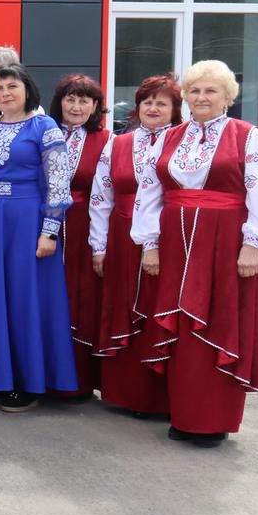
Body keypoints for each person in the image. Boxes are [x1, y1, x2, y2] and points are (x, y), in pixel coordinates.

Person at [133, 60, 258, 447]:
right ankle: (184, 414)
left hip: (226, 243)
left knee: (219, 321)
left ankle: (213, 419)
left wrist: (254, 245)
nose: (201, 97)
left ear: (227, 97)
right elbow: (150, 192)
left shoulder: (247, 136)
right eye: (195, 90)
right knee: (180, 326)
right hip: (175, 244)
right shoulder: (170, 136)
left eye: (210, 90)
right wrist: (149, 244)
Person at [0, 63, 75, 411]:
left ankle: (29, 381)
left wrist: (49, 231)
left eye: (12, 86)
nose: (5, 93)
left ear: (28, 90)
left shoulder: (44, 127)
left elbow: (57, 180)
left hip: (24, 221)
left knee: (23, 298)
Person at [89, 74, 181, 417]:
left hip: (168, 239)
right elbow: (101, 196)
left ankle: (160, 398)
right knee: (124, 307)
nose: (153, 108)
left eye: (162, 102)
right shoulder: (119, 143)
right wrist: (99, 245)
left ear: (174, 109)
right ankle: (127, 394)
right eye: (147, 102)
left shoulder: (182, 143)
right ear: (138, 107)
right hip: (122, 236)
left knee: (159, 310)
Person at [51, 73, 111, 397]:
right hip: (44, 224)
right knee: (48, 295)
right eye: (70, 98)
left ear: (95, 106)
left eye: (84, 100)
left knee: (82, 297)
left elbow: (107, 194)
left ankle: (78, 381)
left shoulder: (106, 140)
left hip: (84, 225)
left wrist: (100, 242)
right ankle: (44, 374)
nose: (76, 106)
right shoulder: (44, 132)